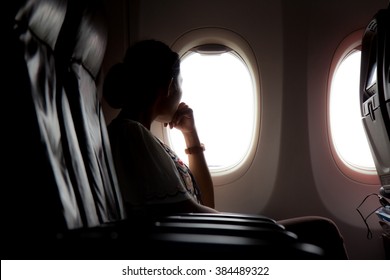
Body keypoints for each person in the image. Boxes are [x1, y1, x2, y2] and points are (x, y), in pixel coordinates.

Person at [103, 39, 348, 259]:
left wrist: (191, 136)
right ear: (168, 87)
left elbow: (203, 200)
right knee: (323, 231)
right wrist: (258, 227)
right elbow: (190, 213)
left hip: (200, 238)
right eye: (180, 85)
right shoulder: (131, 134)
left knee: (320, 230)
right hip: (190, 247)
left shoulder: (143, 137)